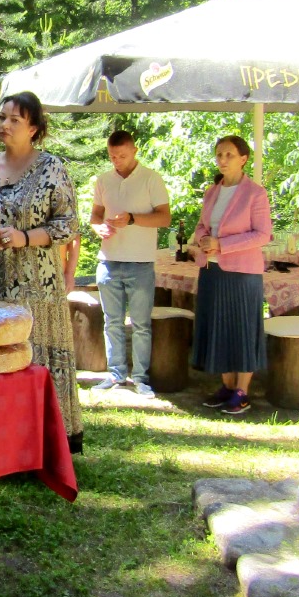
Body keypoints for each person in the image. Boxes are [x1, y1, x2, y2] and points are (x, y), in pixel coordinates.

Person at [0, 92, 84, 452]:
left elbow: (68, 225)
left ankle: (42, 447)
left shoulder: (51, 168)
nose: (5, 125)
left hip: (38, 290)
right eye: (2, 118)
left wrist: (24, 237)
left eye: (15, 119)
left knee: (37, 364)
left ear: (34, 128)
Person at [190, 135, 272, 416]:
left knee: (242, 330)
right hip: (211, 270)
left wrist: (222, 245)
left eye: (228, 155)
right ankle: (226, 386)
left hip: (242, 274)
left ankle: (242, 392)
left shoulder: (255, 193)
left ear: (243, 158)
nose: (222, 160)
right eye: (219, 155)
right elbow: (202, 225)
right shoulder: (212, 191)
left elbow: (262, 234)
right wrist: (203, 239)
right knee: (217, 327)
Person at [89, 131, 171, 398]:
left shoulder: (151, 178)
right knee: (111, 321)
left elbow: (164, 218)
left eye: (122, 156)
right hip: (109, 261)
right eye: (112, 156)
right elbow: (95, 216)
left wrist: (133, 219)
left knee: (140, 324)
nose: (117, 161)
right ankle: (115, 374)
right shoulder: (103, 180)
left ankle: (140, 377)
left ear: (134, 151)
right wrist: (98, 228)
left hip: (140, 262)